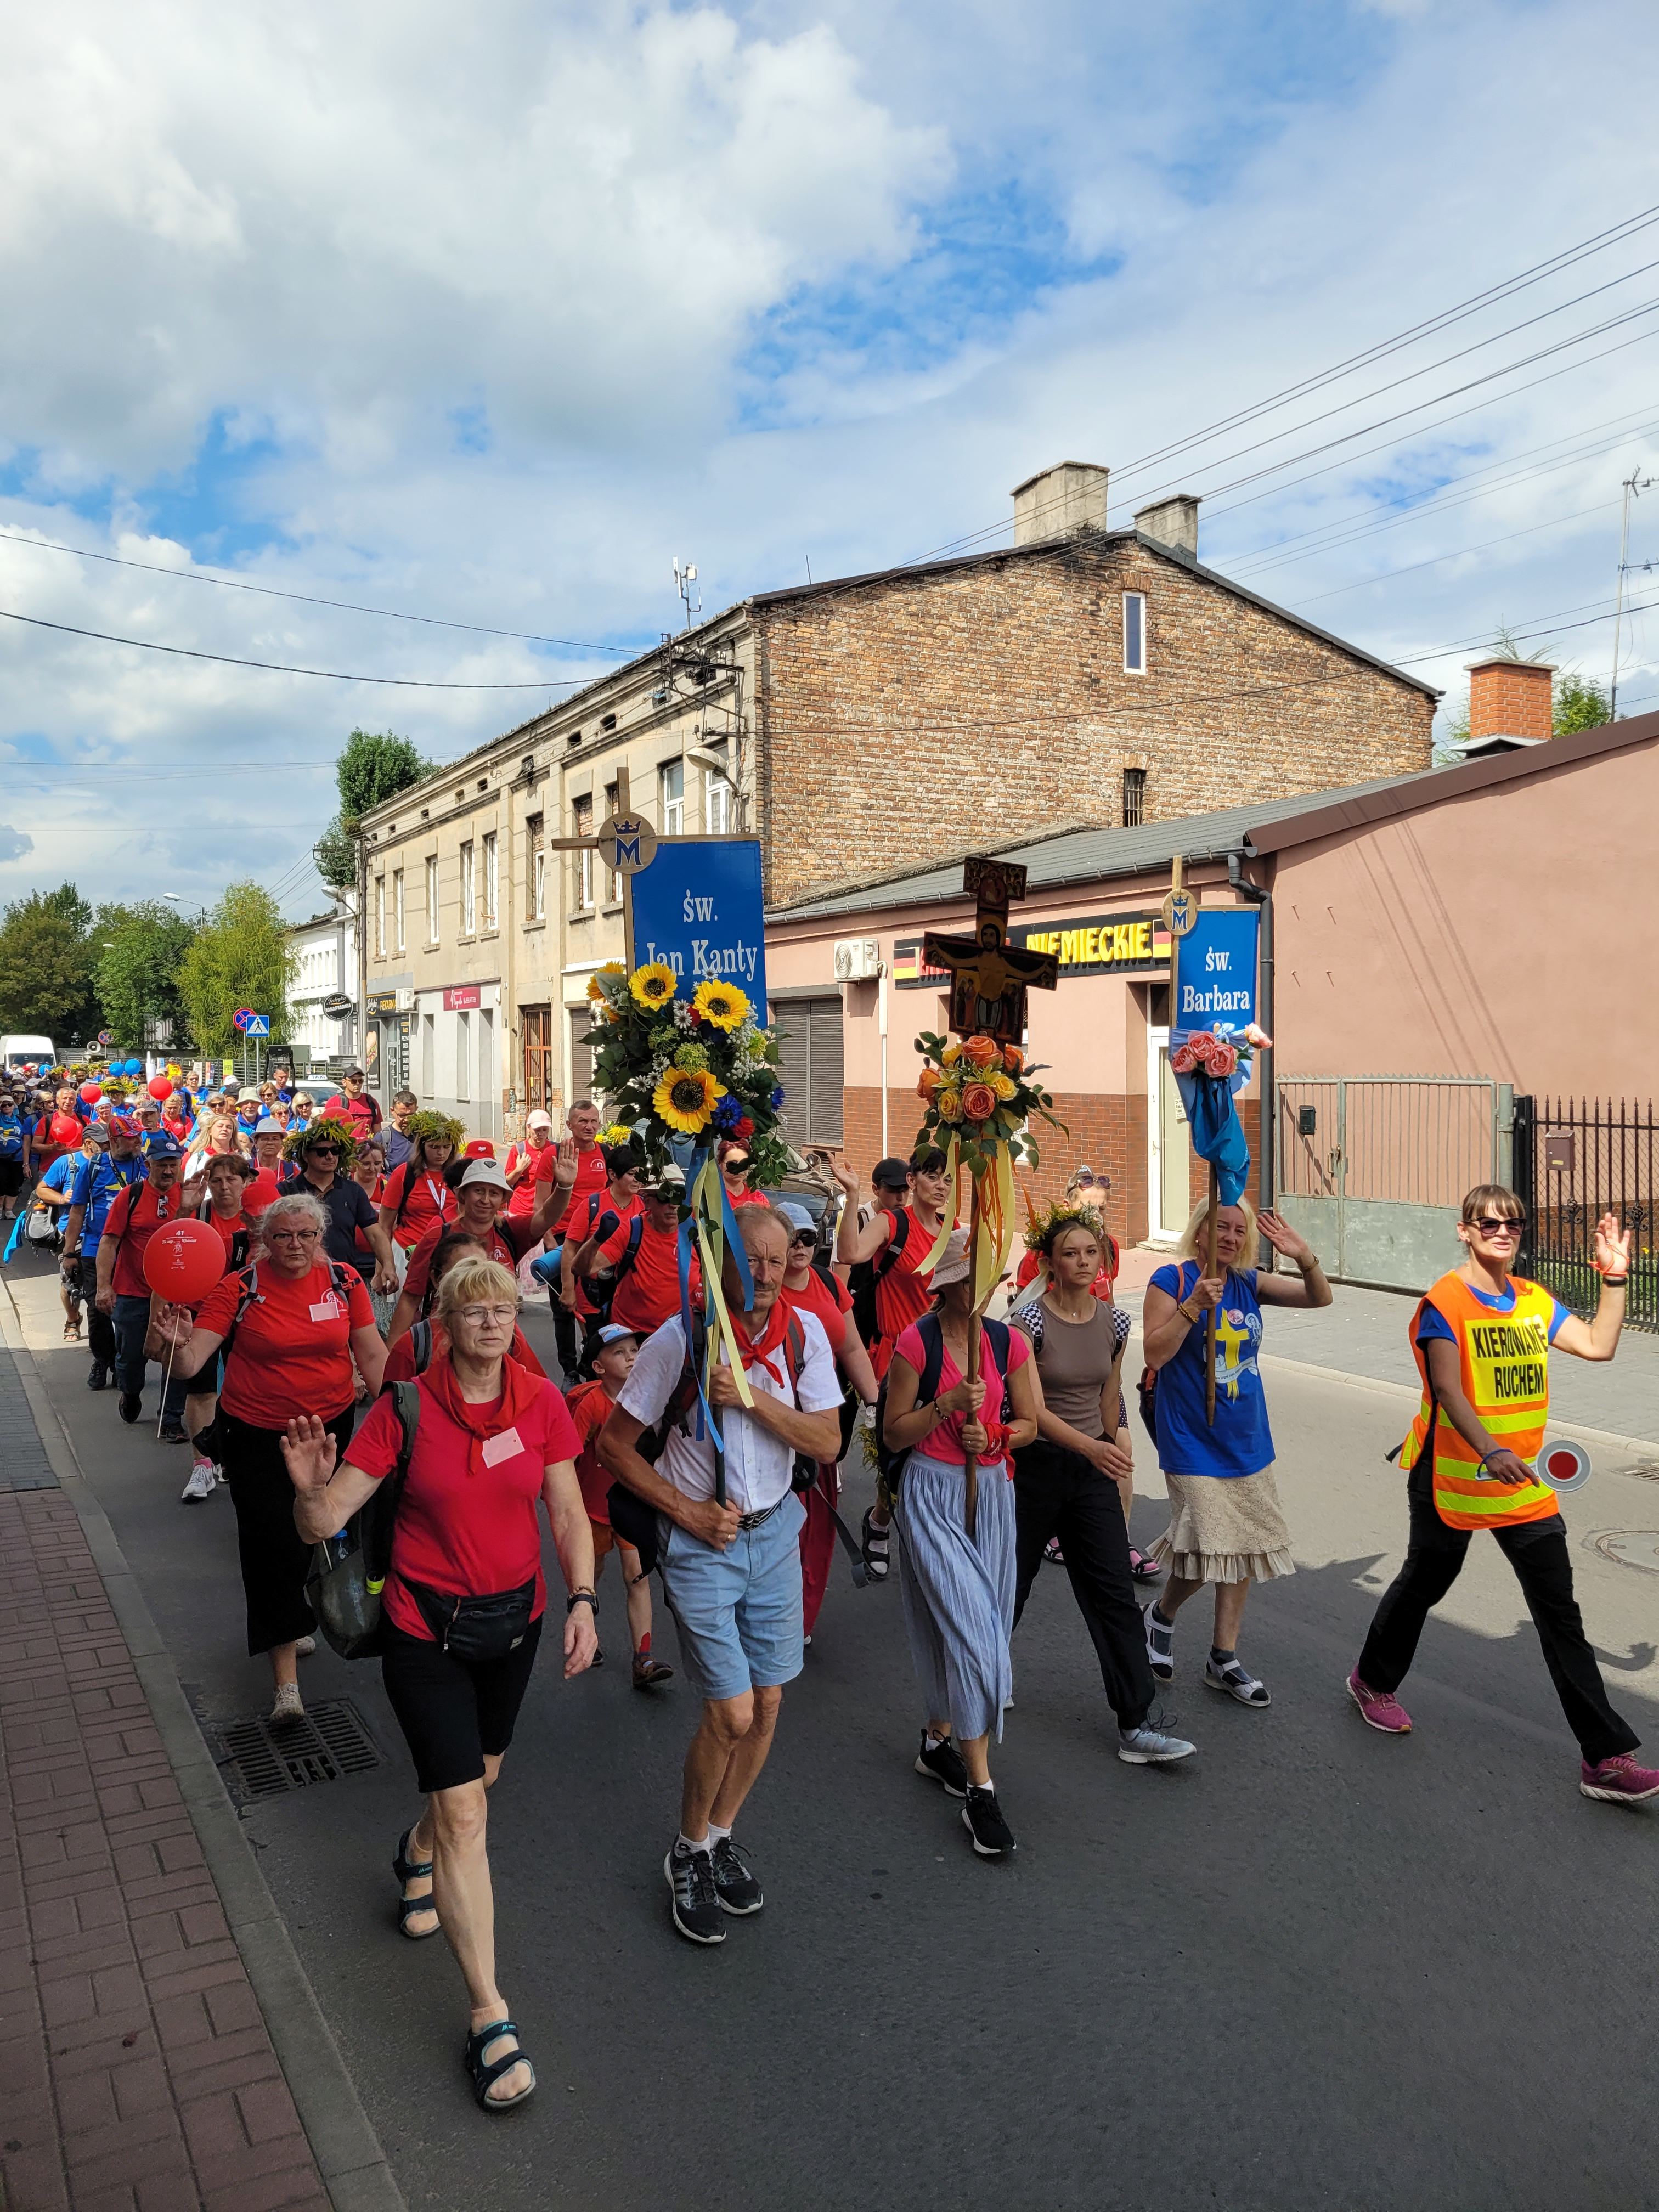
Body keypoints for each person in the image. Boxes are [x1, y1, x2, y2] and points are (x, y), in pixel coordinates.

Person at [282, 1255, 595, 2112]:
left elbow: (566, 1509)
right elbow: (328, 1518)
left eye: (503, 1309)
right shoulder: (404, 1407)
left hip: (516, 1624)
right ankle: (490, 2017)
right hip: (425, 1631)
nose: (492, 1323)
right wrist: (310, 1495)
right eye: (473, 1311)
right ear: (446, 1326)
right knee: (467, 1811)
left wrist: (583, 1600)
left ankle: (413, 1850)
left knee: (480, 1783)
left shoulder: (541, 1405)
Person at [1347, 1188, 1659, 1803]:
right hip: (1453, 1475)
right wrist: (1490, 1449)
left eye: (1513, 1223)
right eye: (1489, 1222)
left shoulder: (1531, 1300)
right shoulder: (1445, 1302)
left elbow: (1599, 1344)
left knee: (1560, 1615)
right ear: (1464, 1231)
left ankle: (1605, 1757)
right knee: (1424, 1585)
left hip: (1523, 1486)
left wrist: (1617, 1278)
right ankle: (1371, 1682)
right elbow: (1447, 1389)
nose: (1503, 1231)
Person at [601, 1205, 840, 1943]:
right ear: (722, 1264)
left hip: (776, 1537)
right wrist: (690, 1513)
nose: (766, 1275)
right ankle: (686, 1849)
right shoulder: (681, 1339)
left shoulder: (805, 1335)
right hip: (703, 1545)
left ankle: (717, 1838)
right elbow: (615, 1447)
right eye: (752, 1260)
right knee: (732, 1714)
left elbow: (828, 1442)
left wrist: (755, 1399)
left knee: (769, 1708)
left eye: (778, 1260)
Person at [155, 1190, 387, 1722]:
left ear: (321, 1235)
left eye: (306, 1235)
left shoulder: (345, 1281)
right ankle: (286, 1684)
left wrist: (403, 1418)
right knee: (267, 1544)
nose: (295, 1246)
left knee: (321, 1533)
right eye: (282, 1236)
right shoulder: (239, 1288)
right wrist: (169, 1340)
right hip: (258, 1435)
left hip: (330, 1431)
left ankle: (296, 1613)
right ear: (263, 1241)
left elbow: (370, 1352)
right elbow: (193, 1357)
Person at [1009, 1213, 1193, 1764]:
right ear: (1050, 1263)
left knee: (1113, 1591)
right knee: (1008, 1585)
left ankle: (1136, 1724)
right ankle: (983, 1681)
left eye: (1092, 1252)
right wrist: (1093, 1447)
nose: (1084, 1262)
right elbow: (1032, 1410)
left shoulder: (1114, 1323)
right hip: (1038, 1467)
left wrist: (1115, 1437)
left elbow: (1109, 1393)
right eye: (1072, 1253)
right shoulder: (1027, 1324)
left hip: (1090, 1472)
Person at [881, 1227, 1040, 1858]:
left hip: (992, 1494)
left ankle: (935, 1741)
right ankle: (981, 1791)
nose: (982, 1288)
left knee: (981, 1627)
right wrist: (946, 1405)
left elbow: (1030, 1423)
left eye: (988, 1277)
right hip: (933, 1496)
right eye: (968, 1277)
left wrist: (998, 1437)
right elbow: (894, 1435)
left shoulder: (1009, 1343)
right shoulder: (914, 1344)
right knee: (976, 1639)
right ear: (944, 1285)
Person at [1140, 1197, 1330, 1708]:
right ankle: (1161, 1615)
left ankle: (1223, 1657)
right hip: (1190, 1438)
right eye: (1219, 1227)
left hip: (1247, 1438)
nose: (1229, 1236)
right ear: (1199, 1232)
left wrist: (1302, 1254)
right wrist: (1193, 1307)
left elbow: (1320, 1299)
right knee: (1208, 1546)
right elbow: (1155, 1353)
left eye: (1237, 1229)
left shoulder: (1249, 1282)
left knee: (1241, 1545)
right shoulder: (1171, 1281)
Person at [832, 1148, 953, 1579]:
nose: (940, 1186)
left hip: (942, 1356)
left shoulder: (953, 1231)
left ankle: (928, 1535)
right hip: (897, 1355)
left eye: (948, 1180)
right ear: (914, 1179)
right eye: (932, 1177)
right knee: (897, 1452)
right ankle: (880, 1520)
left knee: (938, 1451)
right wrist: (852, 1196)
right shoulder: (893, 1222)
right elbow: (849, 1253)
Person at [775, 1199, 878, 1637]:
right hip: (775, 1421)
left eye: (808, 1239)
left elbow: (852, 1348)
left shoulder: (830, 1285)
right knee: (783, 1525)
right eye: (791, 1240)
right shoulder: (760, 1286)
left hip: (821, 1418)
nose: (800, 1248)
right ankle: (772, 1614)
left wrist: (875, 1402)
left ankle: (801, 1620)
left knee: (818, 1525)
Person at [564, 1322, 673, 1686]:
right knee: (589, 1578)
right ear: (598, 1366)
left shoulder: (650, 1399)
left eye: (634, 1351)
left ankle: (643, 1658)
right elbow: (568, 1454)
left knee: (637, 1578)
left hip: (632, 1507)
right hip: (591, 1510)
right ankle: (586, 1634)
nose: (630, 1358)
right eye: (619, 1353)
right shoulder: (592, 1405)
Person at [387, 1158, 572, 1346]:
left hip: (497, 1342)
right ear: (462, 1195)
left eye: (494, 1193)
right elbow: (410, 1299)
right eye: (478, 1191)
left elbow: (547, 1217)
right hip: (444, 1345)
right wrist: (390, 1360)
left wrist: (564, 1187)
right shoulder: (437, 1237)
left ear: (503, 1199)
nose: (485, 1200)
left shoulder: (511, 1231)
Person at [97, 1133, 189, 1435]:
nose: (167, 1171)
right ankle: (131, 1390)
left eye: (173, 1164)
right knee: (131, 1358)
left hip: (176, 1295)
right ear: (148, 1164)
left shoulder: (188, 1198)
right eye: (161, 1164)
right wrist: (104, 1286)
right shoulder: (131, 1195)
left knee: (175, 1354)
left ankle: (171, 1419)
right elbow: (109, 1242)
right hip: (133, 1293)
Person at [178, 1152, 258, 1503]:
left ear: (245, 1182)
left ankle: (229, 1453)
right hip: (202, 1312)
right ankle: (202, 1464)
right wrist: (183, 1212)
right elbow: (172, 1254)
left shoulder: (258, 1218)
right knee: (201, 1389)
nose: (224, 1187)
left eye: (231, 1179)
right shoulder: (198, 1213)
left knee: (244, 1388)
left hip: (247, 1313)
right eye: (217, 1180)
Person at [381, 1228, 548, 1381]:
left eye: (483, 1270)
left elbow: (539, 1395)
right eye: (462, 1272)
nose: (491, 1324)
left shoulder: (508, 1334)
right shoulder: (416, 1344)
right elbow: (394, 1402)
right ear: (438, 1279)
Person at [61, 1114, 148, 1389]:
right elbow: (78, 1210)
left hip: (134, 1250)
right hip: (95, 1249)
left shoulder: (146, 1165)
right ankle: (103, 1360)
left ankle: (123, 1362)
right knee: (98, 1310)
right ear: (113, 1141)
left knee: (128, 1309)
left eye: (138, 1137)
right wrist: (69, 1252)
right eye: (130, 1138)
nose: (136, 1142)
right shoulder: (94, 1166)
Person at [570, 1166, 697, 1350]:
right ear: (647, 1201)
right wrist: (598, 1239)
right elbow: (581, 1269)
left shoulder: (697, 1234)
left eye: (679, 1196)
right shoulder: (631, 1231)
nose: (673, 1205)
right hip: (633, 1343)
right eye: (664, 1197)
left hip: (681, 1342)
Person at [279, 1122, 398, 1291]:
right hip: (296, 1280)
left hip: (342, 1280)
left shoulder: (353, 1191)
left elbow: (375, 1234)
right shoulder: (286, 1191)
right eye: (322, 1152)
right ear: (305, 1156)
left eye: (335, 1151)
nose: (330, 1156)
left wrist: (389, 1267)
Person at [556, 1142, 644, 1340]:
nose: (638, 1180)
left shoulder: (645, 1206)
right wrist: (568, 1291)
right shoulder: (592, 1205)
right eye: (632, 1173)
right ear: (613, 1175)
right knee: (597, 1348)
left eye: (641, 1173)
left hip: (629, 1296)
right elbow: (570, 1250)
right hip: (592, 1294)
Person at [39, 1127, 105, 1339]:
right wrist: (61, 1198)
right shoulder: (67, 1163)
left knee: (100, 1287)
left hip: (103, 1236)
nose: (106, 1148)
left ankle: (101, 1333)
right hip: (71, 1233)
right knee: (70, 1284)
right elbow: (42, 1189)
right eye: (102, 1144)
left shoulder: (110, 1164)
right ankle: (73, 1318)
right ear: (88, 1143)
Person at [380, 1119, 461, 1255]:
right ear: (422, 1146)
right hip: (408, 1250)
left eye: (447, 1147)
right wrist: (383, 1268)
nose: (441, 1153)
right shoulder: (404, 1174)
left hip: (449, 1252)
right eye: (434, 1147)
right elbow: (384, 1226)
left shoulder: (461, 1174)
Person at [504, 1111, 554, 1218]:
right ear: (528, 1128)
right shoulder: (519, 1150)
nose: (541, 1134)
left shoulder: (553, 1150)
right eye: (537, 1130)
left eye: (545, 1130)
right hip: (520, 1210)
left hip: (545, 1209)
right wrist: (519, 1170)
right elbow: (507, 1183)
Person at [320, 1065, 383, 1142]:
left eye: (360, 1081)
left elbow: (378, 1131)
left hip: (367, 1150)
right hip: (345, 1150)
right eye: (354, 1081)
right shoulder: (334, 1103)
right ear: (344, 1082)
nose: (358, 1084)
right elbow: (326, 1132)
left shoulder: (371, 1102)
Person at [0, 1090, 27, 1219]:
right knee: (1, 1183)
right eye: (3, 1105)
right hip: (1, 1158)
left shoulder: (21, 1120)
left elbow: (26, 1139)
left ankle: (9, 1210)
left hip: (17, 1158)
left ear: (13, 1106)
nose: (6, 1107)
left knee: (14, 1184)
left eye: (9, 1104)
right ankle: (0, 1208)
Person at [719, 1144, 767, 1208]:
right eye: (732, 1164)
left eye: (744, 1164)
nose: (739, 1170)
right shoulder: (713, 1196)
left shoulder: (758, 1198)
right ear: (720, 1164)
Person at [384, 1089, 419, 1173]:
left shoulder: (422, 1134)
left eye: (411, 1116)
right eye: (402, 1115)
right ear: (392, 1111)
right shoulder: (384, 1138)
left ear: (416, 1109)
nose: (406, 1120)